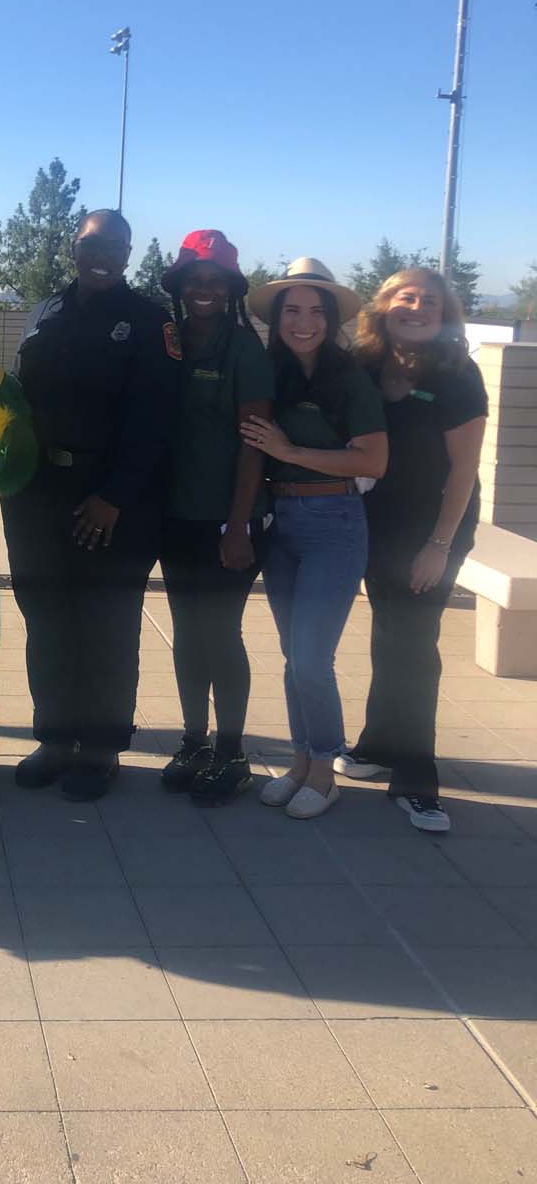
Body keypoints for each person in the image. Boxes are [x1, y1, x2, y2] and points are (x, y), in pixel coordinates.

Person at [1, 209, 181, 801]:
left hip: (114, 502)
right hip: (38, 496)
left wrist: (114, 498)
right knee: (47, 620)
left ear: (130, 253)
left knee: (106, 623)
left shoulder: (150, 322)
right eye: (91, 243)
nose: (103, 253)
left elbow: (156, 423)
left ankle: (101, 748)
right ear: (73, 247)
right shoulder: (44, 312)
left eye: (116, 245)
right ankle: (56, 739)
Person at [336, 268, 487, 832]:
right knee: (389, 631)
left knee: (415, 644)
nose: (417, 306)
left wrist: (440, 546)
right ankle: (377, 747)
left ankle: (418, 780)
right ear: (385, 306)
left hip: (435, 528)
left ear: (444, 313)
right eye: (406, 296)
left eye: (429, 300)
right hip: (379, 524)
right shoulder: (369, 364)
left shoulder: (457, 374)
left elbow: (464, 471)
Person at [240, 259, 387, 820]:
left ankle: (326, 770)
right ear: (277, 318)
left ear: (331, 320)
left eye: (316, 311)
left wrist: (291, 452)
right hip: (281, 524)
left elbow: (375, 459)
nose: (304, 322)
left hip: (334, 522)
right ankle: (302, 759)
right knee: (291, 656)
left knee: (311, 658)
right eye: (292, 310)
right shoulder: (267, 372)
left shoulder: (348, 378)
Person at [158, 230, 275, 805]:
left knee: (220, 633)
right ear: (180, 286)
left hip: (229, 521)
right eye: (194, 280)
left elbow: (253, 444)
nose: (204, 290)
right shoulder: (169, 341)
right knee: (187, 634)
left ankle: (232, 752)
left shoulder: (244, 350)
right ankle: (194, 741)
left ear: (230, 290)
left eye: (215, 281)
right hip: (176, 517)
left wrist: (238, 525)